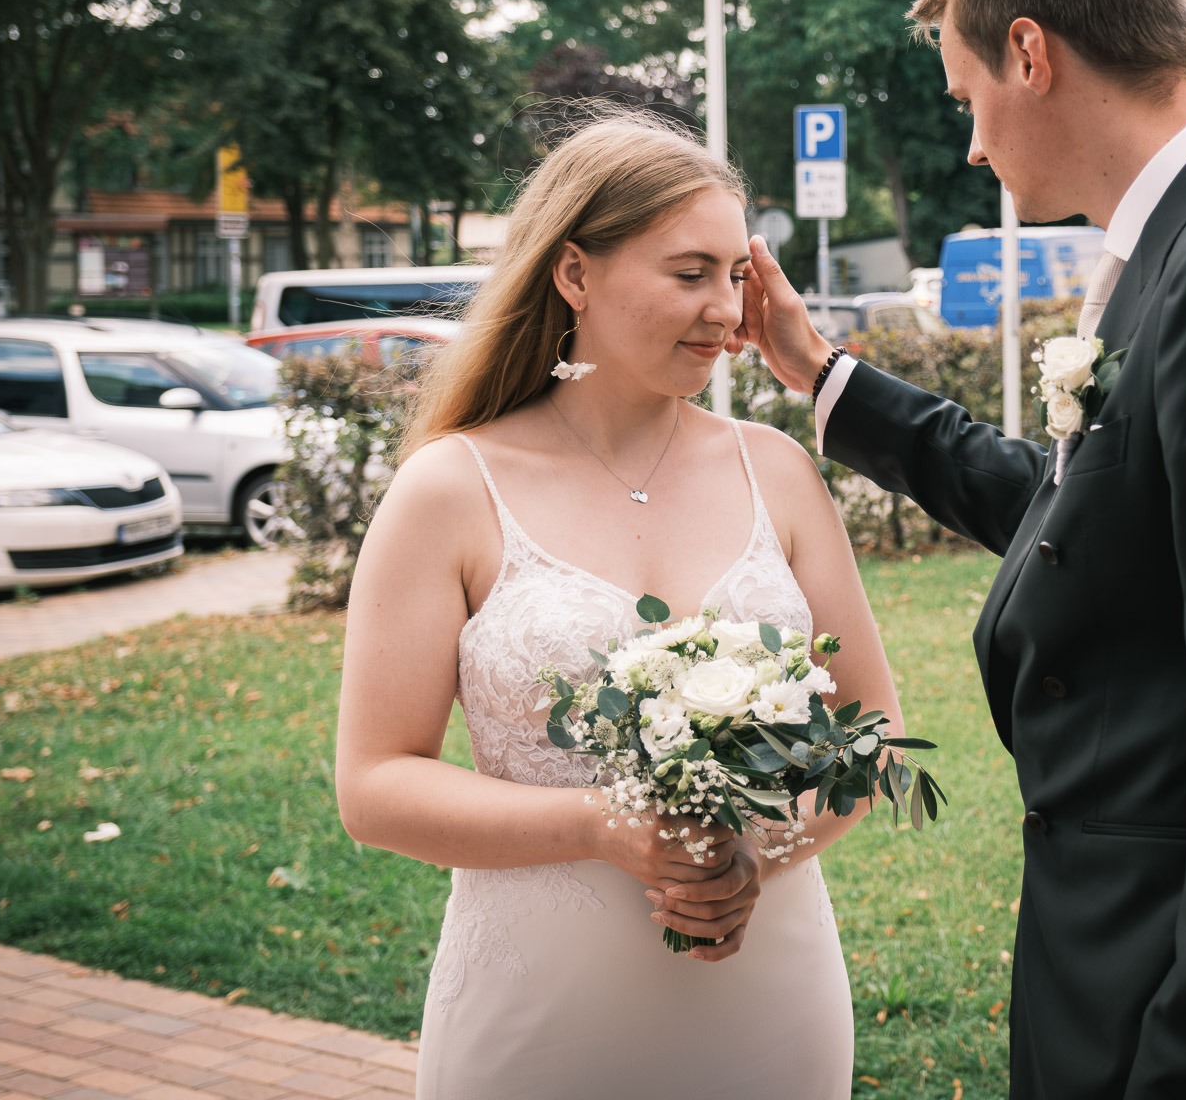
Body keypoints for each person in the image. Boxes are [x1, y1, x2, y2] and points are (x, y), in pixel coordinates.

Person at [735, 0, 1186, 1099]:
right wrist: (821, 374)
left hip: (1179, 983)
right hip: (1122, 945)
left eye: (967, 99)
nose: (973, 146)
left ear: (1031, 52)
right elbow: (1086, 520)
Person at [336, 115, 900, 1098]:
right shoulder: (451, 489)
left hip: (770, 1003)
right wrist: (606, 824)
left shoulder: (778, 474)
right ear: (575, 274)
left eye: (737, 273)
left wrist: (753, 856)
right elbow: (376, 781)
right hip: (541, 1015)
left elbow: (876, 731)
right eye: (690, 273)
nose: (726, 309)